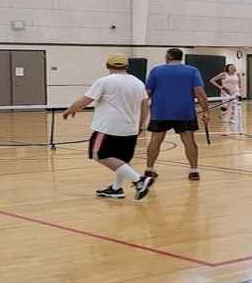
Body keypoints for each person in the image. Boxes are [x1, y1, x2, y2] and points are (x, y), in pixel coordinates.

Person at [62, 54, 154, 200]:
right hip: (130, 129)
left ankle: (139, 180)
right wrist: (141, 125)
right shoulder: (138, 83)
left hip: (108, 128)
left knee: (98, 154)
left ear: (108, 66)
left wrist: (71, 109)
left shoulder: (104, 81)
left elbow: (87, 99)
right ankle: (117, 189)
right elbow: (145, 105)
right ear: (126, 66)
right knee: (121, 160)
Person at [144, 48, 210, 181]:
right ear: (181, 57)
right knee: (189, 141)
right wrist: (205, 111)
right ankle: (194, 171)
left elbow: (147, 93)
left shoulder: (156, 70)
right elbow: (200, 93)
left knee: (155, 141)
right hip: (184, 112)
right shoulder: (192, 70)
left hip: (160, 112)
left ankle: (149, 170)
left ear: (168, 57)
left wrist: (141, 110)